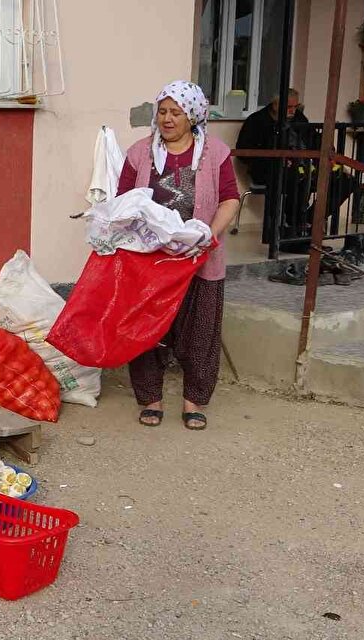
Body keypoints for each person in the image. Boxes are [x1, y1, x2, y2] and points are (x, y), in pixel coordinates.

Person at [116, 81, 241, 431]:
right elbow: (123, 200)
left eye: (176, 112)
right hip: (149, 259)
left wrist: (208, 235)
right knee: (146, 330)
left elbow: (230, 198)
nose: (167, 119)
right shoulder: (140, 153)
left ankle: (193, 401)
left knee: (200, 330)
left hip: (199, 257)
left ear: (193, 115)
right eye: (163, 111)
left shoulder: (215, 152)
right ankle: (150, 399)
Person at [236, 89, 364, 257]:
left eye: (295, 106)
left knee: (346, 180)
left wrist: (329, 155)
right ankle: (295, 234)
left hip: (305, 168)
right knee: (297, 179)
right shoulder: (256, 121)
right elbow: (243, 153)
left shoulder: (299, 118)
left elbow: (314, 139)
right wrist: (273, 158)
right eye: (289, 107)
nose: (293, 110)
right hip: (269, 171)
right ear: (275, 105)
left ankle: (310, 220)